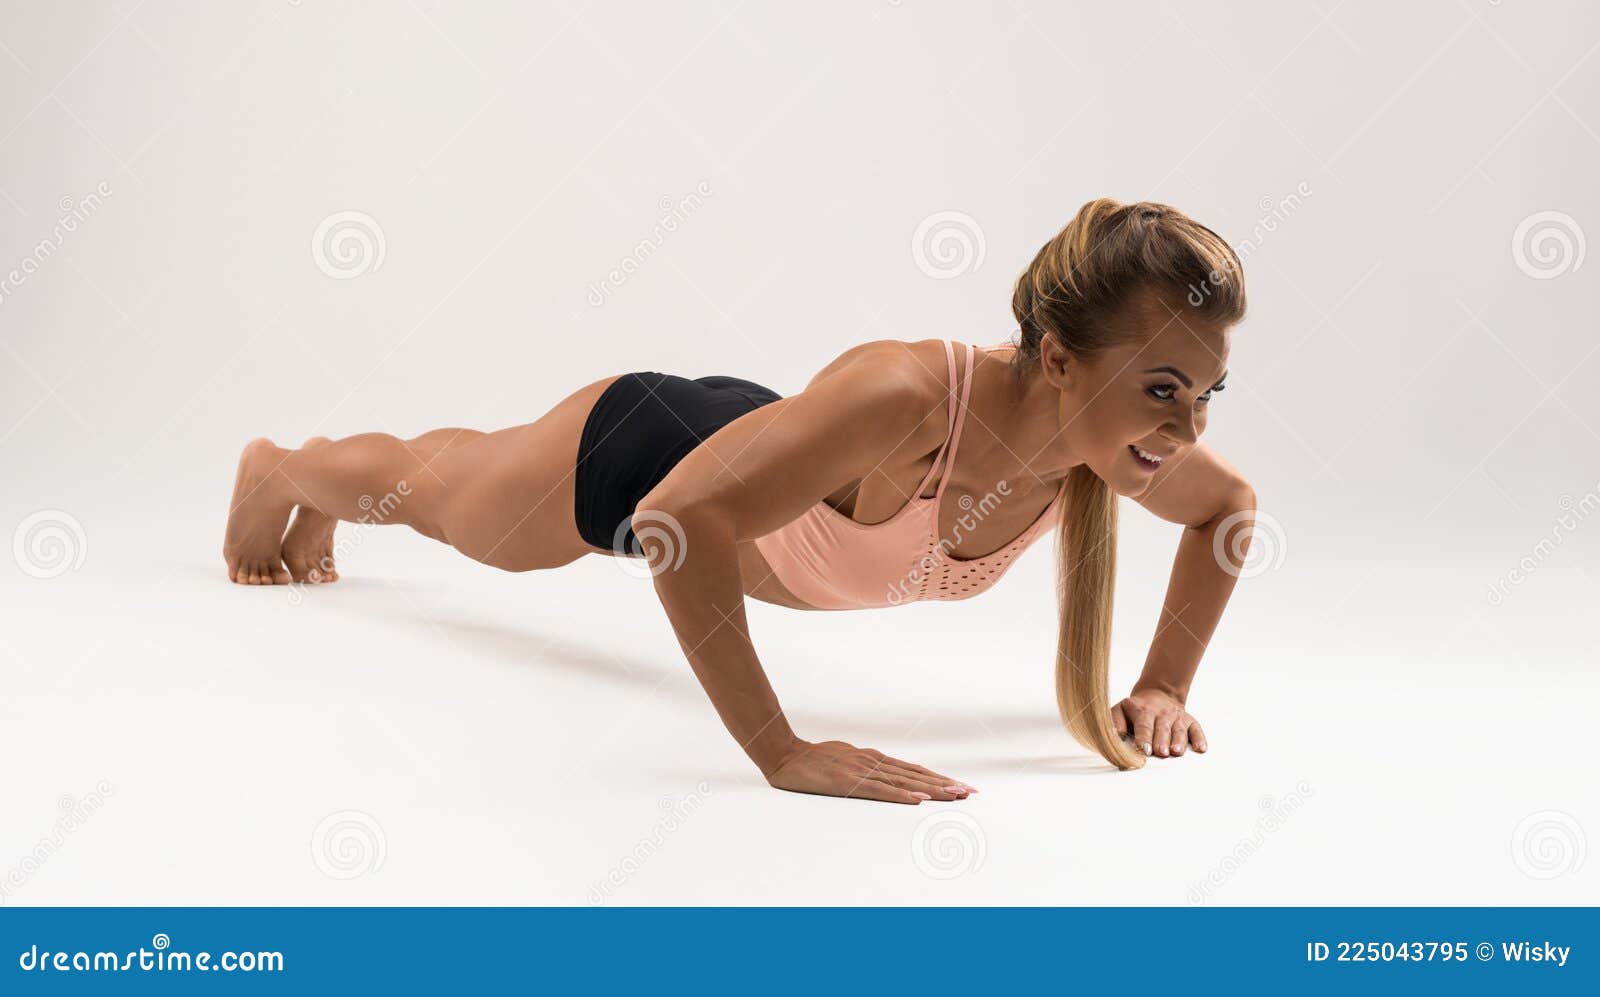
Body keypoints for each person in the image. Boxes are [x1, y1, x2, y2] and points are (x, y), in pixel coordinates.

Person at [223, 198, 1255, 805]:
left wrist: (1162, 685)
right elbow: (678, 519)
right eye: (1163, 389)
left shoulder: (1113, 448)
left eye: (1206, 391)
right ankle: (284, 467)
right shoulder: (907, 397)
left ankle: (313, 481)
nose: (1190, 427)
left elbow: (1228, 511)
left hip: (763, 448)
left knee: (451, 478)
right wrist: (782, 749)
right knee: (443, 501)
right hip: (645, 450)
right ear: (1063, 360)